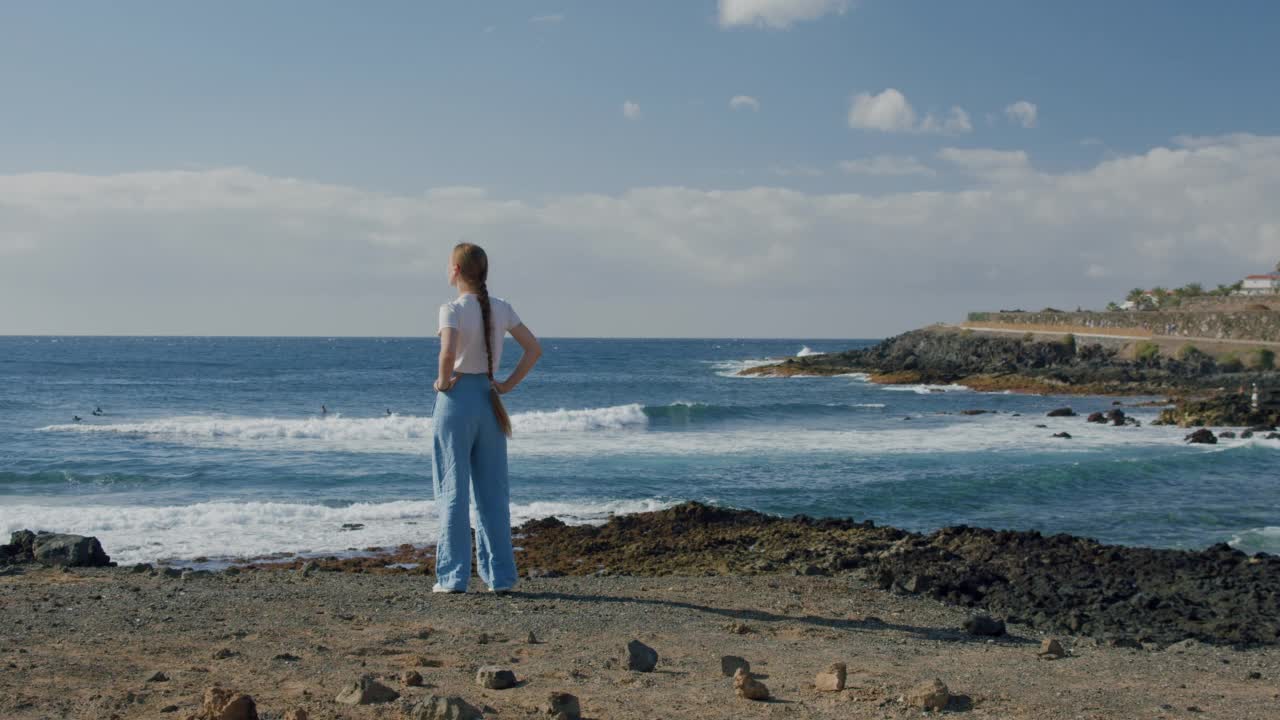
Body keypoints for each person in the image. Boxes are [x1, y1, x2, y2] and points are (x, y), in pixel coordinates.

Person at [431, 242, 541, 593]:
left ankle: (453, 578)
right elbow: (533, 348)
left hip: (457, 400)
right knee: (493, 493)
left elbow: (448, 353)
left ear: (457, 271)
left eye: (449, 265)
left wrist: (442, 382)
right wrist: (507, 384)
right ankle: (501, 578)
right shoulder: (502, 308)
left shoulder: (451, 309)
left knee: (453, 489)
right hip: (490, 398)